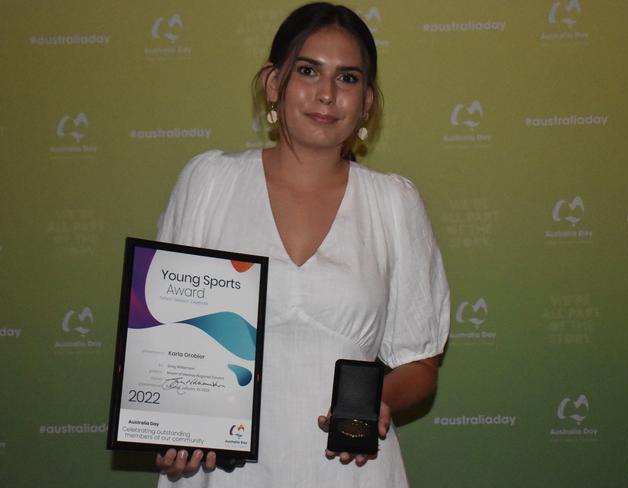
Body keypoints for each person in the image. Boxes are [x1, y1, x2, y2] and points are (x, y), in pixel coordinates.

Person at [155, 3, 449, 487]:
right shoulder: (209, 182)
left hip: (350, 471)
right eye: (308, 70)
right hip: (221, 472)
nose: (327, 94)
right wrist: (169, 431)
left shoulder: (394, 203)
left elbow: (420, 365)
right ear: (274, 83)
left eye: (348, 78)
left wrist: (380, 400)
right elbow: (164, 336)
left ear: (368, 102)